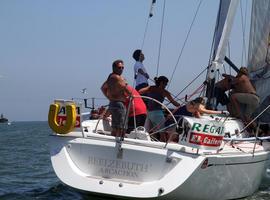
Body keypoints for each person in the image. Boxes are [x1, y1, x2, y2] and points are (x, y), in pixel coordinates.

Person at [139, 76, 180, 142]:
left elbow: (140, 92)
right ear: (161, 83)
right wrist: (181, 105)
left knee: (150, 132)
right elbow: (174, 102)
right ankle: (162, 146)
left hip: (149, 113)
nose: (166, 85)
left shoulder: (151, 88)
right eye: (165, 84)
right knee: (162, 134)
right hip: (157, 114)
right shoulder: (165, 92)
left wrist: (146, 97)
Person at [101, 59, 131, 138]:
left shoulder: (110, 77)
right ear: (114, 68)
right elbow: (127, 89)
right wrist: (130, 95)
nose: (121, 69)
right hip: (119, 105)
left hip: (113, 104)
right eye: (119, 67)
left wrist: (109, 98)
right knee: (121, 128)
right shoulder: (118, 78)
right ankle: (120, 145)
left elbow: (103, 88)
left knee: (115, 128)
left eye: (122, 68)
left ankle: (113, 144)